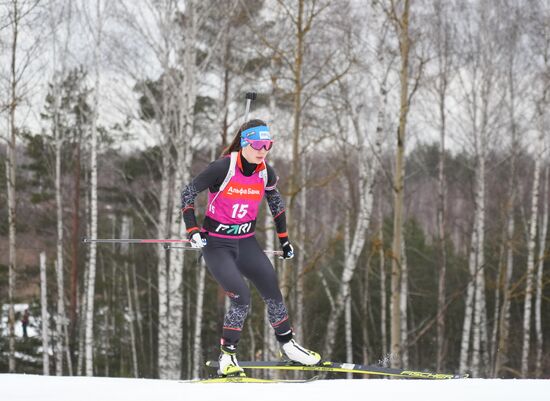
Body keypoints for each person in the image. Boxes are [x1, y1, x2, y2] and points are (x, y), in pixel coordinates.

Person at [181, 119, 321, 377]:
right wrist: (192, 230)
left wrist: (284, 240)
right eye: (258, 144)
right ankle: (227, 357)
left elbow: (276, 203)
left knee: (272, 288)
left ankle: (288, 345)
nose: (262, 150)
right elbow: (188, 193)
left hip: (246, 242)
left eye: (268, 145)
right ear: (245, 143)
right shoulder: (222, 167)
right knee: (241, 298)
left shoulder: (266, 171)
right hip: (216, 244)